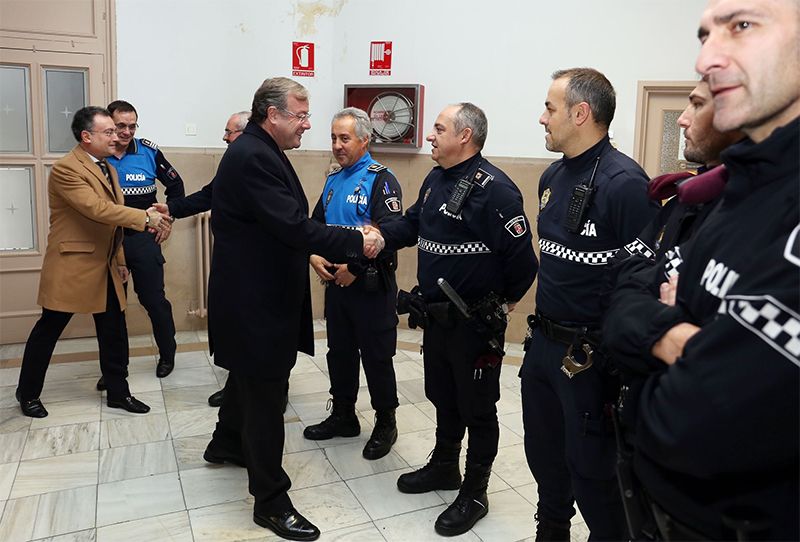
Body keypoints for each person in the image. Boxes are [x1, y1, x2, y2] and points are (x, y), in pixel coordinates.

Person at [616, 0, 799, 539]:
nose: (706, 57)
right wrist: (681, 338)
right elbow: (626, 298)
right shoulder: (736, 192)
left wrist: (659, 349)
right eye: (705, 35)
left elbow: (695, 427)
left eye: (742, 26)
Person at [202, 77, 384, 542]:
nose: (308, 123)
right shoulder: (253, 156)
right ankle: (270, 500)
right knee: (266, 396)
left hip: (253, 295)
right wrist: (358, 241)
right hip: (254, 302)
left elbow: (276, 226)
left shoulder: (260, 150)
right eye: (300, 115)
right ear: (273, 115)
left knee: (248, 378)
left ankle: (225, 444)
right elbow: (292, 225)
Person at [379, 102, 538, 536]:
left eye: (438, 128)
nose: (430, 135)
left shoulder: (497, 191)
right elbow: (411, 225)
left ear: (464, 136)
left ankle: (475, 490)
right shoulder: (435, 179)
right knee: (442, 395)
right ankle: (445, 465)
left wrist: (501, 305)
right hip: (437, 319)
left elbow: (523, 263)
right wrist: (373, 236)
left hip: (474, 324)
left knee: (478, 409)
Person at [519, 68, 660, 541]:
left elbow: (644, 282)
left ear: (581, 114)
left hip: (592, 357)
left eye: (550, 108)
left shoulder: (625, 184)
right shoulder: (553, 175)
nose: (542, 118)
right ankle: (552, 530)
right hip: (543, 345)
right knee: (544, 456)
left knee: (594, 473)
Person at [601, 80, 742, 540]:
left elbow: (740, 361)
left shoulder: (760, 216)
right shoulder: (684, 202)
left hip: (717, 480)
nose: (682, 117)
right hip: (652, 446)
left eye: (697, 105)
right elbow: (624, 296)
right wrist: (677, 323)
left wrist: (659, 320)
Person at [15, 106, 170, 418]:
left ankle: (118, 392)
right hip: (73, 263)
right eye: (109, 132)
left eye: (117, 131)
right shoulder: (66, 169)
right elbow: (97, 209)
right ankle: (28, 393)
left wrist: (122, 259)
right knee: (49, 329)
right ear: (86, 137)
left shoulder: (106, 168)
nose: (117, 137)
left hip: (107, 263)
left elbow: (111, 225)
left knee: (114, 329)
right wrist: (146, 217)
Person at [303, 107, 403, 460]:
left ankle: (385, 422)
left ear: (364, 139)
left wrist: (355, 268)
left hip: (371, 286)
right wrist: (313, 255)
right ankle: (343, 414)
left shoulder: (381, 179)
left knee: (377, 357)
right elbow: (314, 226)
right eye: (333, 138)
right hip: (337, 286)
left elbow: (387, 232)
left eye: (344, 138)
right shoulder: (333, 180)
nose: (337, 145)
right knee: (339, 353)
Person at [154, 110, 251, 408]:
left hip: (255, 262)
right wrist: (172, 209)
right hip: (233, 259)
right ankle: (237, 385)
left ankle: (273, 390)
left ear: (245, 134)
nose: (224, 137)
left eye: (229, 131)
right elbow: (210, 194)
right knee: (236, 325)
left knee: (255, 328)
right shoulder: (235, 161)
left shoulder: (258, 162)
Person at [105, 100, 185, 379]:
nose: (127, 132)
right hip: (109, 242)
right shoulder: (98, 155)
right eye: (120, 126)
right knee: (111, 309)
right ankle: (115, 368)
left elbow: (176, 186)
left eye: (132, 126)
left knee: (154, 300)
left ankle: (167, 355)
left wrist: (169, 219)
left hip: (143, 239)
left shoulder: (149, 152)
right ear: (108, 124)